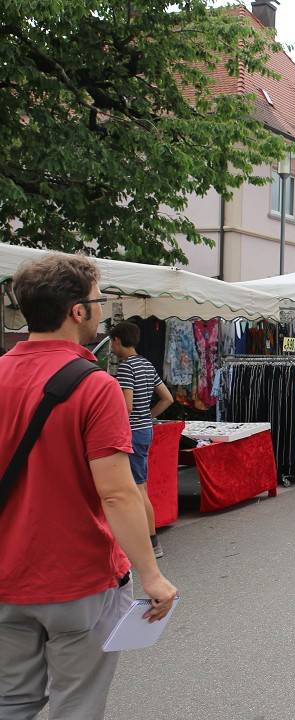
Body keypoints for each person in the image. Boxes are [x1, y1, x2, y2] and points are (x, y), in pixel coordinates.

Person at [0, 254, 177, 720]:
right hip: (77, 577)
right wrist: (152, 575)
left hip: (5, 577)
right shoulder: (94, 385)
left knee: (11, 702)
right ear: (77, 311)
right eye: (100, 301)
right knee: (76, 704)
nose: (103, 310)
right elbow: (117, 493)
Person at [109, 321, 174, 558]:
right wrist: (149, 415)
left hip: (132, 432)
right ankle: (147, 539)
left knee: (138, 488)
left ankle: (152, 542)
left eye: (112, 342)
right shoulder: (146, 364)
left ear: (116, 340)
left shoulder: (126, 368)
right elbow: (167, 398)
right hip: (145, 429)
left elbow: (125, 406)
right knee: (141, 486)